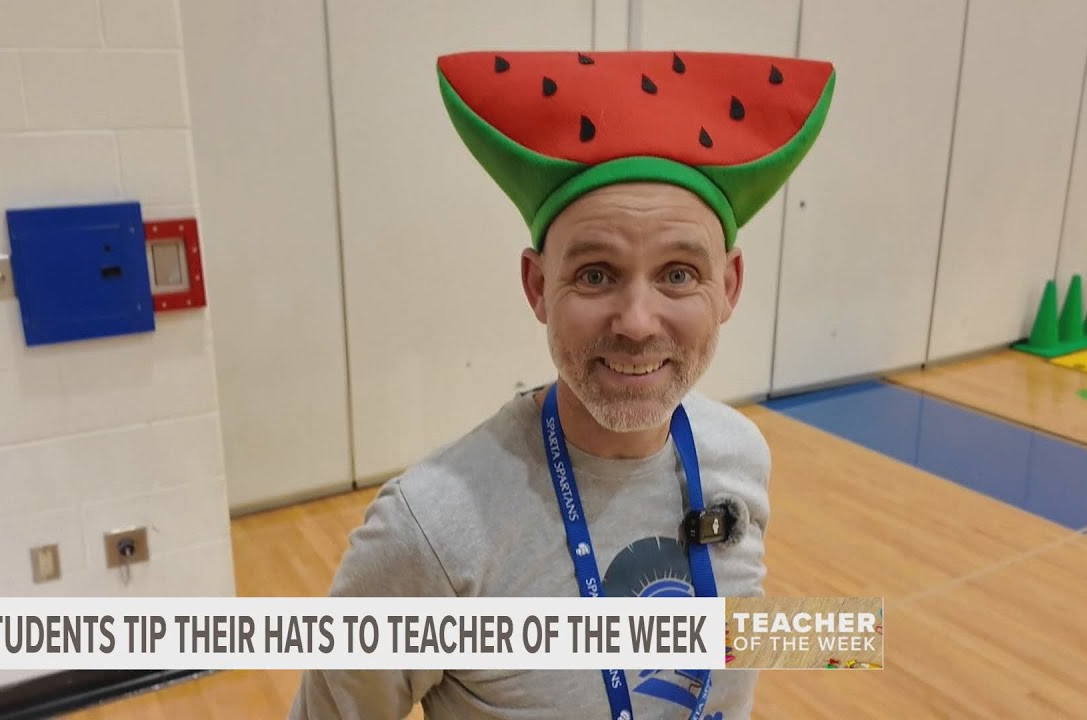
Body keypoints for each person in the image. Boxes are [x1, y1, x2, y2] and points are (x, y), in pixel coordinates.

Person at [290, 49, 834, 719]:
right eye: (597, 274)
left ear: (730, 287)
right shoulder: (427, 532)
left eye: (678, 274)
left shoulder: (740, 457)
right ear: (537, 286)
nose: (637, 322)